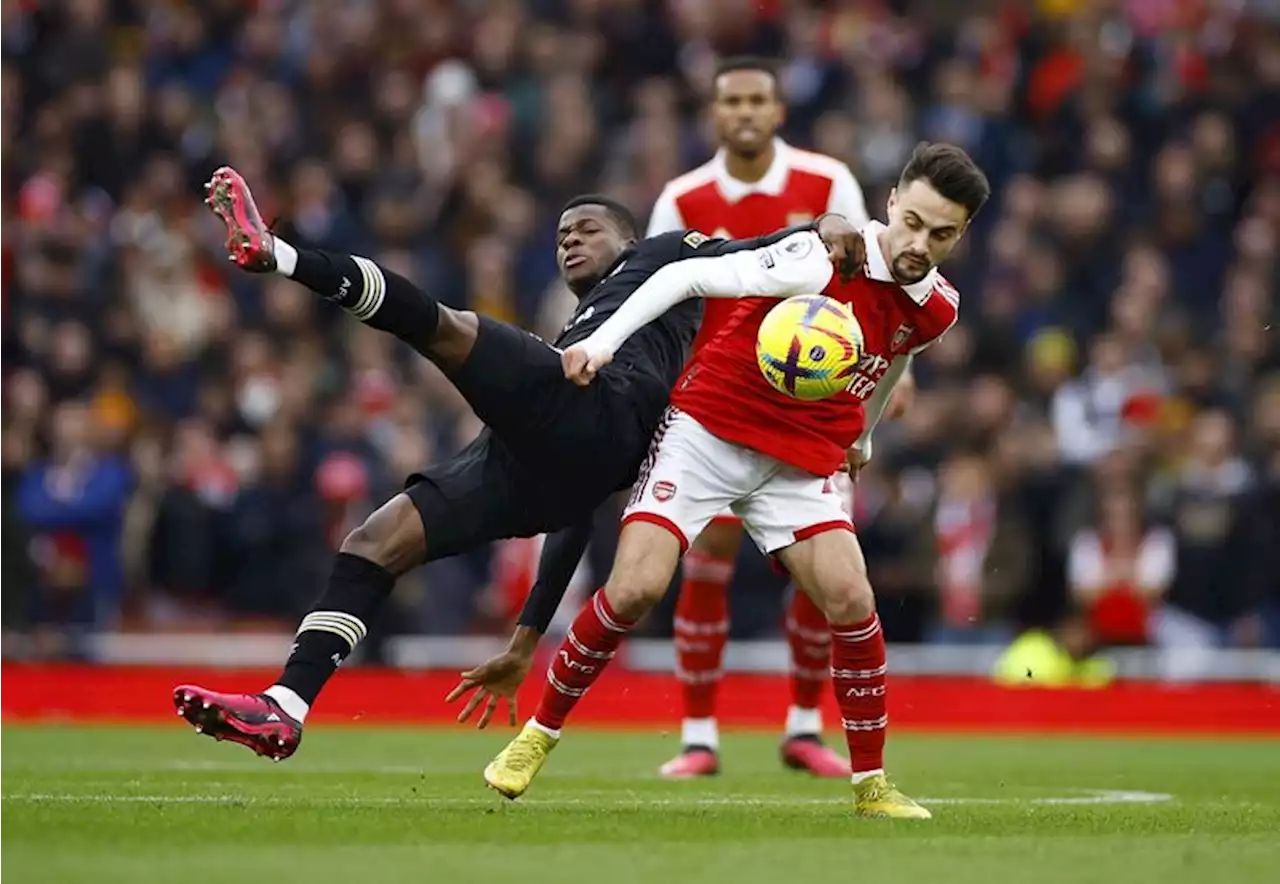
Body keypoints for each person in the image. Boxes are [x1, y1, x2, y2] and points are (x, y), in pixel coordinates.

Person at [171, 166, 863, 760]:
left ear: (627, 238)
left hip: (604, 400)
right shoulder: (578, 325)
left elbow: (761, 248)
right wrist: (527, 638)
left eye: (587, 227)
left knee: (448, 328)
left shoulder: (663, 252)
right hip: (548, 462)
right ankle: (285, 706)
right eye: (562, 231)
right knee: (375, 542)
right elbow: (575, 507)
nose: (569, 237)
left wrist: (827, 225)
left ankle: (279, 256)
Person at [468, 142, 989, 819]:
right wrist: (602, 342)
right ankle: (535, 737)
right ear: (890, 203)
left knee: (852, 599)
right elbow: (685, 278)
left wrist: (861, 434)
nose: (920, 242)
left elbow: (888, 364)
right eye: (912, 221)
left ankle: (872, 788)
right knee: (634, 590)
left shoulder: (937, 309)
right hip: (707, 433)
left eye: (940, 233)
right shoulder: (820, 255)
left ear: (962, 234)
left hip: (798, 458)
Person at [642, 55, 884, 778]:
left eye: (757, 100)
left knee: (825, 570)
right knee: (705, 561)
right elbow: (662, 295)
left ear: (779, 111)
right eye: (731, 102)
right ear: (713, 115)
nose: (744, 112)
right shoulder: (683, 199)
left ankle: (805, 727)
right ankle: (698, 737)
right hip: (719, 408)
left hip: (813, 410)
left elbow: (868, 286)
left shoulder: (828, 182)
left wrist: (882, 382)